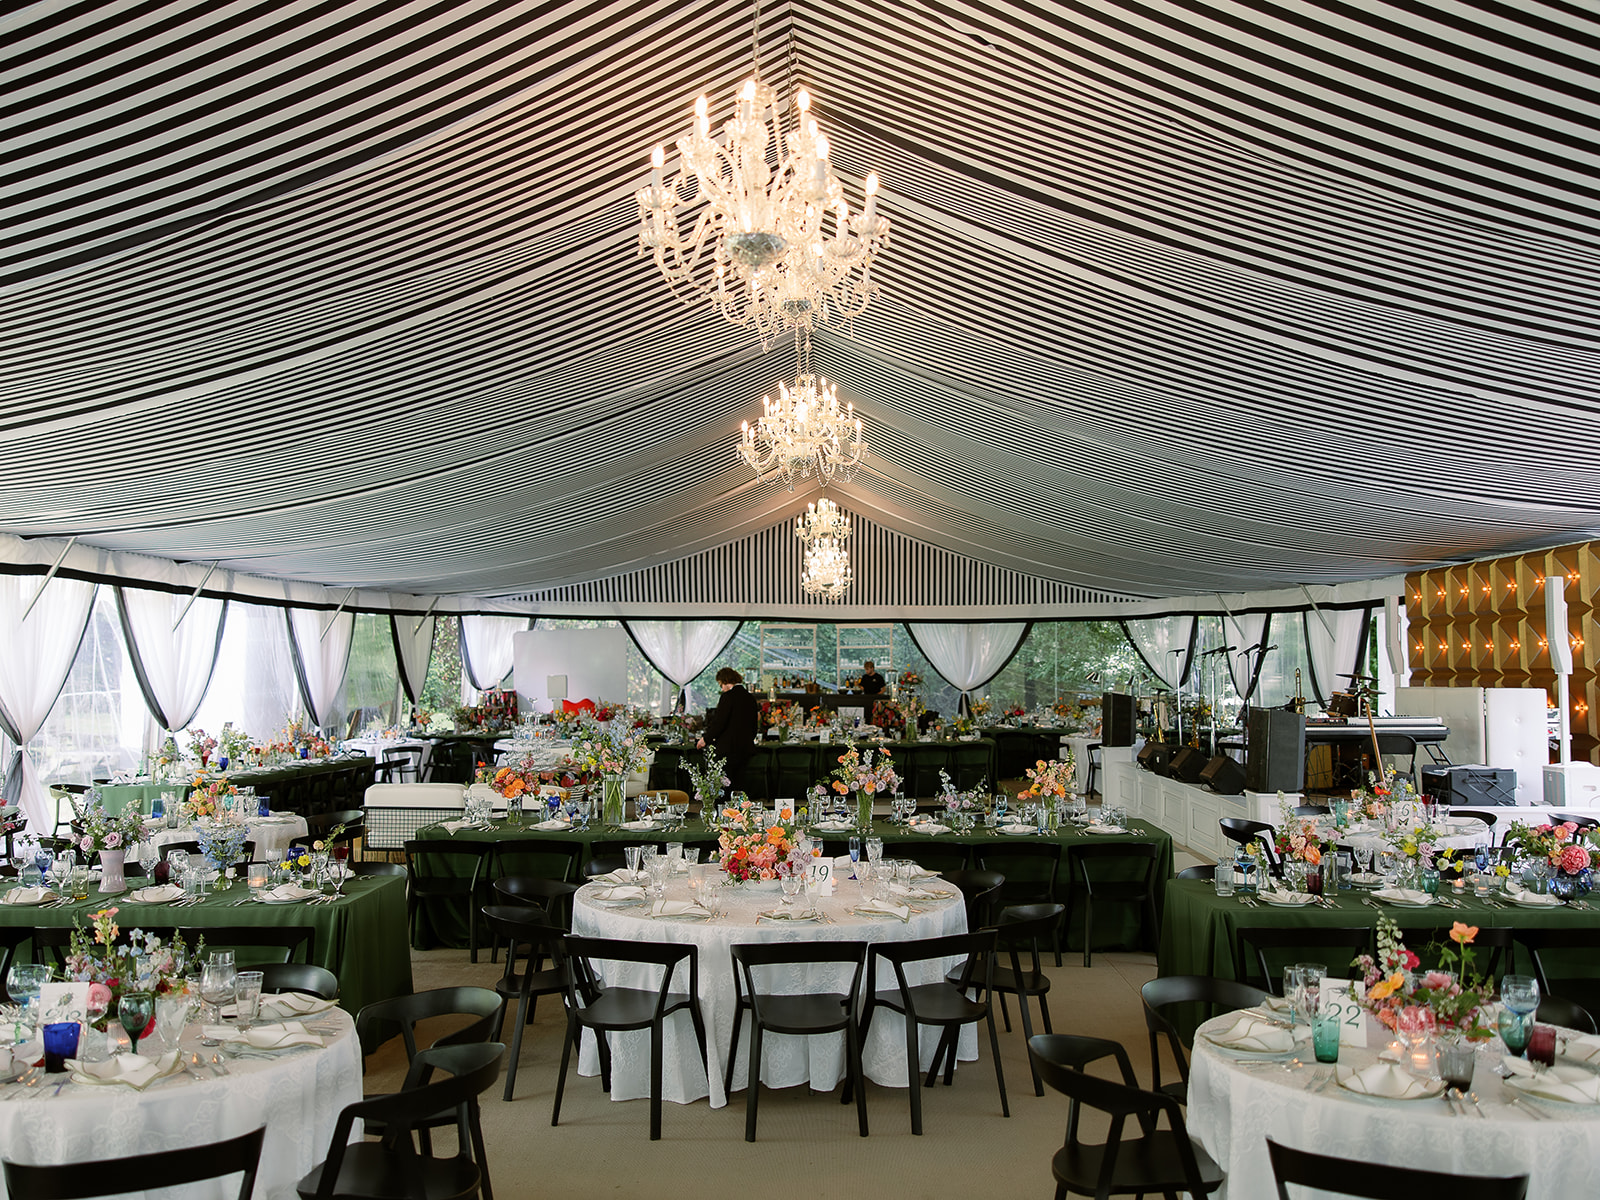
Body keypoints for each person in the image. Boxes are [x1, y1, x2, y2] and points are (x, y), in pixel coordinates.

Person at [697, 667, 758, 798]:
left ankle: (724, 814)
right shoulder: (750, 698)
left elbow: (719, 723)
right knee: (740, 785)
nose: (722, 689)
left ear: (726, 681)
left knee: (725, 786)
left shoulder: (727, 697)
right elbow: (754, 726)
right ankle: (741, 814)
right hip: (745, 749)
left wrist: (705, 739)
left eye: (721, 685)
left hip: (727, 749)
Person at [858, 660, 887, 725]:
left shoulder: (878, 677)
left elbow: (884, 689)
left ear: (872, 668)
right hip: (866, 699)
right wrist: (858, 686)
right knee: (866, 716)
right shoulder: (864, 677)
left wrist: (877, 695)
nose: (866, 671)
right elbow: (862, 688)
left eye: (868, 669)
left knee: (875, 717)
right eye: (866, 669)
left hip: (876, 700)